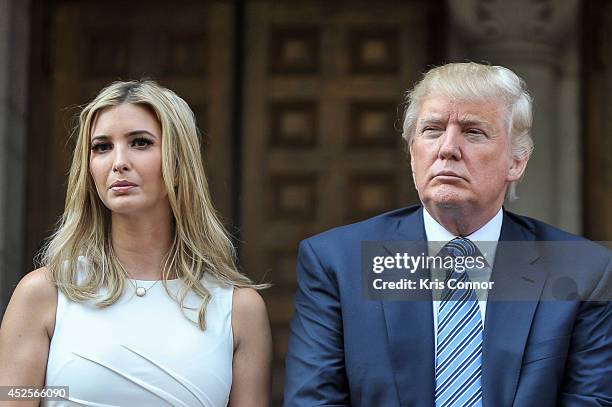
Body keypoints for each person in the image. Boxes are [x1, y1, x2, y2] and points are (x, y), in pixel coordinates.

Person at [284, 62, 611, 406]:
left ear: (517, 161)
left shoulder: (582, 270)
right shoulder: (338, 262)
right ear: (412, 154)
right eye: (432, 130)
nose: (448, 148)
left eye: (473, 132)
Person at [0, 80, 272, 406]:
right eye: (101, 147)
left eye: (140, 143)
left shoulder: (239, 308)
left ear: (177, 163)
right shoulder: (45, 293)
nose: (118, 162)